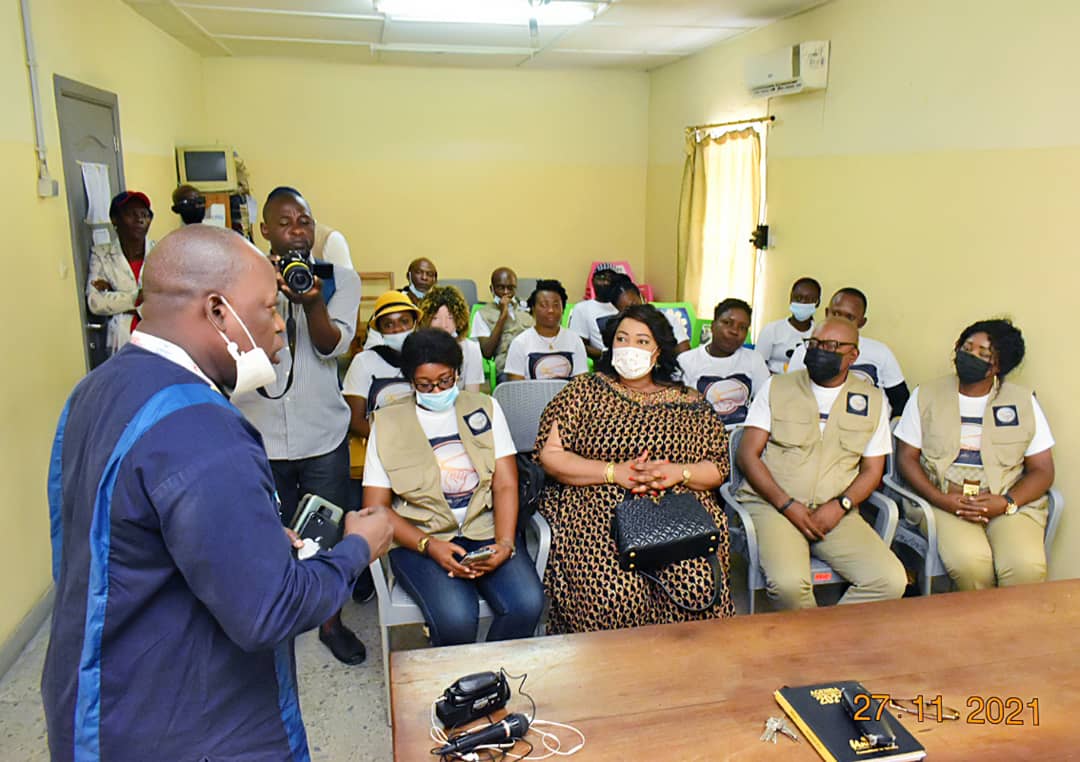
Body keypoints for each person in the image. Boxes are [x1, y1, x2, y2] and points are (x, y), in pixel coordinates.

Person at [43, 225, 393, 761]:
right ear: (218, 311)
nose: (281, 325)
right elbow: (269, 611)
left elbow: (129, 533)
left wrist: (251, 536)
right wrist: (357, 548)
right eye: (269, 307)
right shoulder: (202, 428)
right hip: (188, 727)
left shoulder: (97, 388)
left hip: (99, 697)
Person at [536, 304, 735, 633]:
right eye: (622, 338)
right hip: (596, 507)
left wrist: (678, 473)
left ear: (659, 350)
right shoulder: (584, 391)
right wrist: (614, 472)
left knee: (697, 588)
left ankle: (682, 665)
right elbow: (551, 455)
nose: (630, 347)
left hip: (675, 511)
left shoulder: (690, 402)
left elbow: (717, 467)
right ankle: (611, 667)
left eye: (642, 341)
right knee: (613, 596)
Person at [230, 186, 367, 664]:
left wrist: (311, 302)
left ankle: (331, 622)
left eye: (304, 222)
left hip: (321, 431)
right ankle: (276, 617)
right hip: (259, 433)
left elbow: (332, 347)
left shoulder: (340, 280)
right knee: (267, 531)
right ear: (264, 229)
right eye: (285, 223)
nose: (296, 231)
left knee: (326, 528)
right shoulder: (240, 279)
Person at [362, 328, 544, 645]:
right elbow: (376, 508)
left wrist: (504, 543)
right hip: (421, 537)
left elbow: (505, 483)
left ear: (457, 373)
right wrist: (429, 545)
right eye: (425, 385)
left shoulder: (484, 407)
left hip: (485, 528)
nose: (437, 390)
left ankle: (492, 669)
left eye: (445, 381)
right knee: (456, 618)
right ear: (410, 381)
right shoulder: (387, 423)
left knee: (527, 605)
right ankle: (461, 675)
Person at [735, 318, 907, 610]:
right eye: (814, 344)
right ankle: (817, 636)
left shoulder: (873, 400)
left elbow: (872, 470)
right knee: (789, 585)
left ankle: (825, 634)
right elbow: (747, 455)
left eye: (831, 346)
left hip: (836, 511)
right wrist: (787, 505)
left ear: (853, 355)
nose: (818, 351)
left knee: (889, 580)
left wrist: (841, 505)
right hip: (774, 506)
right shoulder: (777, 386)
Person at [893, 319, 1054, 590]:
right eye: (967, 348)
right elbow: (906, 458)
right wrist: (939, 499)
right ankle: (982, 619)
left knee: (1025, 567)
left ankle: (1014, 619)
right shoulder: (926, 395)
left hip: (1006, 502)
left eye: (983, 353)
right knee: (970, 564)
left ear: (999, 365)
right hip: (945, 500)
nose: (971, 356)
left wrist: (1006, 502)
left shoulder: (1023, 401)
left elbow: (1043, 470)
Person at [787, 287, 910, 414]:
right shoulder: (806, 350)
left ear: (862, 322)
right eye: (836, 314)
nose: (840, 321)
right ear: (827, 313)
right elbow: (791, 393)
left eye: (849, 317)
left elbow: (900, 400)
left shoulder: (880, 352)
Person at [678, 298, 770, 427]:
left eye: (742, 327)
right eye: (727, 323)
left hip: (742, 433)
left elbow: (766, 402)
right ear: (712, 326)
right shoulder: (686, 360)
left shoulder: (754, 359)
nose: (734, 331)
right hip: (699, 432)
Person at [87, 190, 156, 355]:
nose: (139, 220)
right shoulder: (101, 254)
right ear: (114, 219)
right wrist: (137, 297)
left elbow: (168, 300)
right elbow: (95, 302)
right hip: (122, 342)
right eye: (131, 214)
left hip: (157, 338)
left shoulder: (161, 252)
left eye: (144, 215)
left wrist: (116, 297)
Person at [343, 291, 419, 439]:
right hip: (379, 442)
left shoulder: (427, 359)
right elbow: (355, 422)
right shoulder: (364, 362)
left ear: (415, 324)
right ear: (380, 331)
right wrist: (390, 442)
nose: (397, 329)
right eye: (388, 324)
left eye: (404, 321)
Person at [505, 279, 588, 381]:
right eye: (544, 305)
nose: (550, 310)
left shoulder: (575, 340)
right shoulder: (520, 343)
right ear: (533, 309)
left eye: (556, 305)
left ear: (563, 309)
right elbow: (516, 387)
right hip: (531, 392)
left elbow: (581, 383)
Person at [471, 267, 534, 380]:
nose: (506, 292)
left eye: (510, 288)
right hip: (507, 368)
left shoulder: (527, 309)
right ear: (492, 289)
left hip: (534, 363)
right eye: (501, 288)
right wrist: (503, 316)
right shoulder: (482, 314)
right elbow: (487, 352)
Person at [418, 285, 485, 392]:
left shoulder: (471, 349)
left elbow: (472, 394)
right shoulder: (417, 348)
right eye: (435, 318)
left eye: (450, 318)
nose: (443, 325)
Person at [608, 275, 691, 354]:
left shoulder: (668, 319)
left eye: (635, 305)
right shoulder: (619, 327)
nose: (634, 311)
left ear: (642, 298)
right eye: (627, 309)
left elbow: (684, 354)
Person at [755, 276, 820, 373]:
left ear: (817, 303)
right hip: (773, 379)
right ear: (791, 299)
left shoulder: (819, 334)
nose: (802, 302)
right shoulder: (771, 330)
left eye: (808, 299)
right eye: (798, 298)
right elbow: (757, 365)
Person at [567, 263, 619, 360]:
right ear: (593, 281)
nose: (606, 282)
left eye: (611, 279)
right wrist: (606, 356)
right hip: (603, 363)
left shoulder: (622, 305)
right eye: (601, 278)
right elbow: (579, 344)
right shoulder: (582, 308)